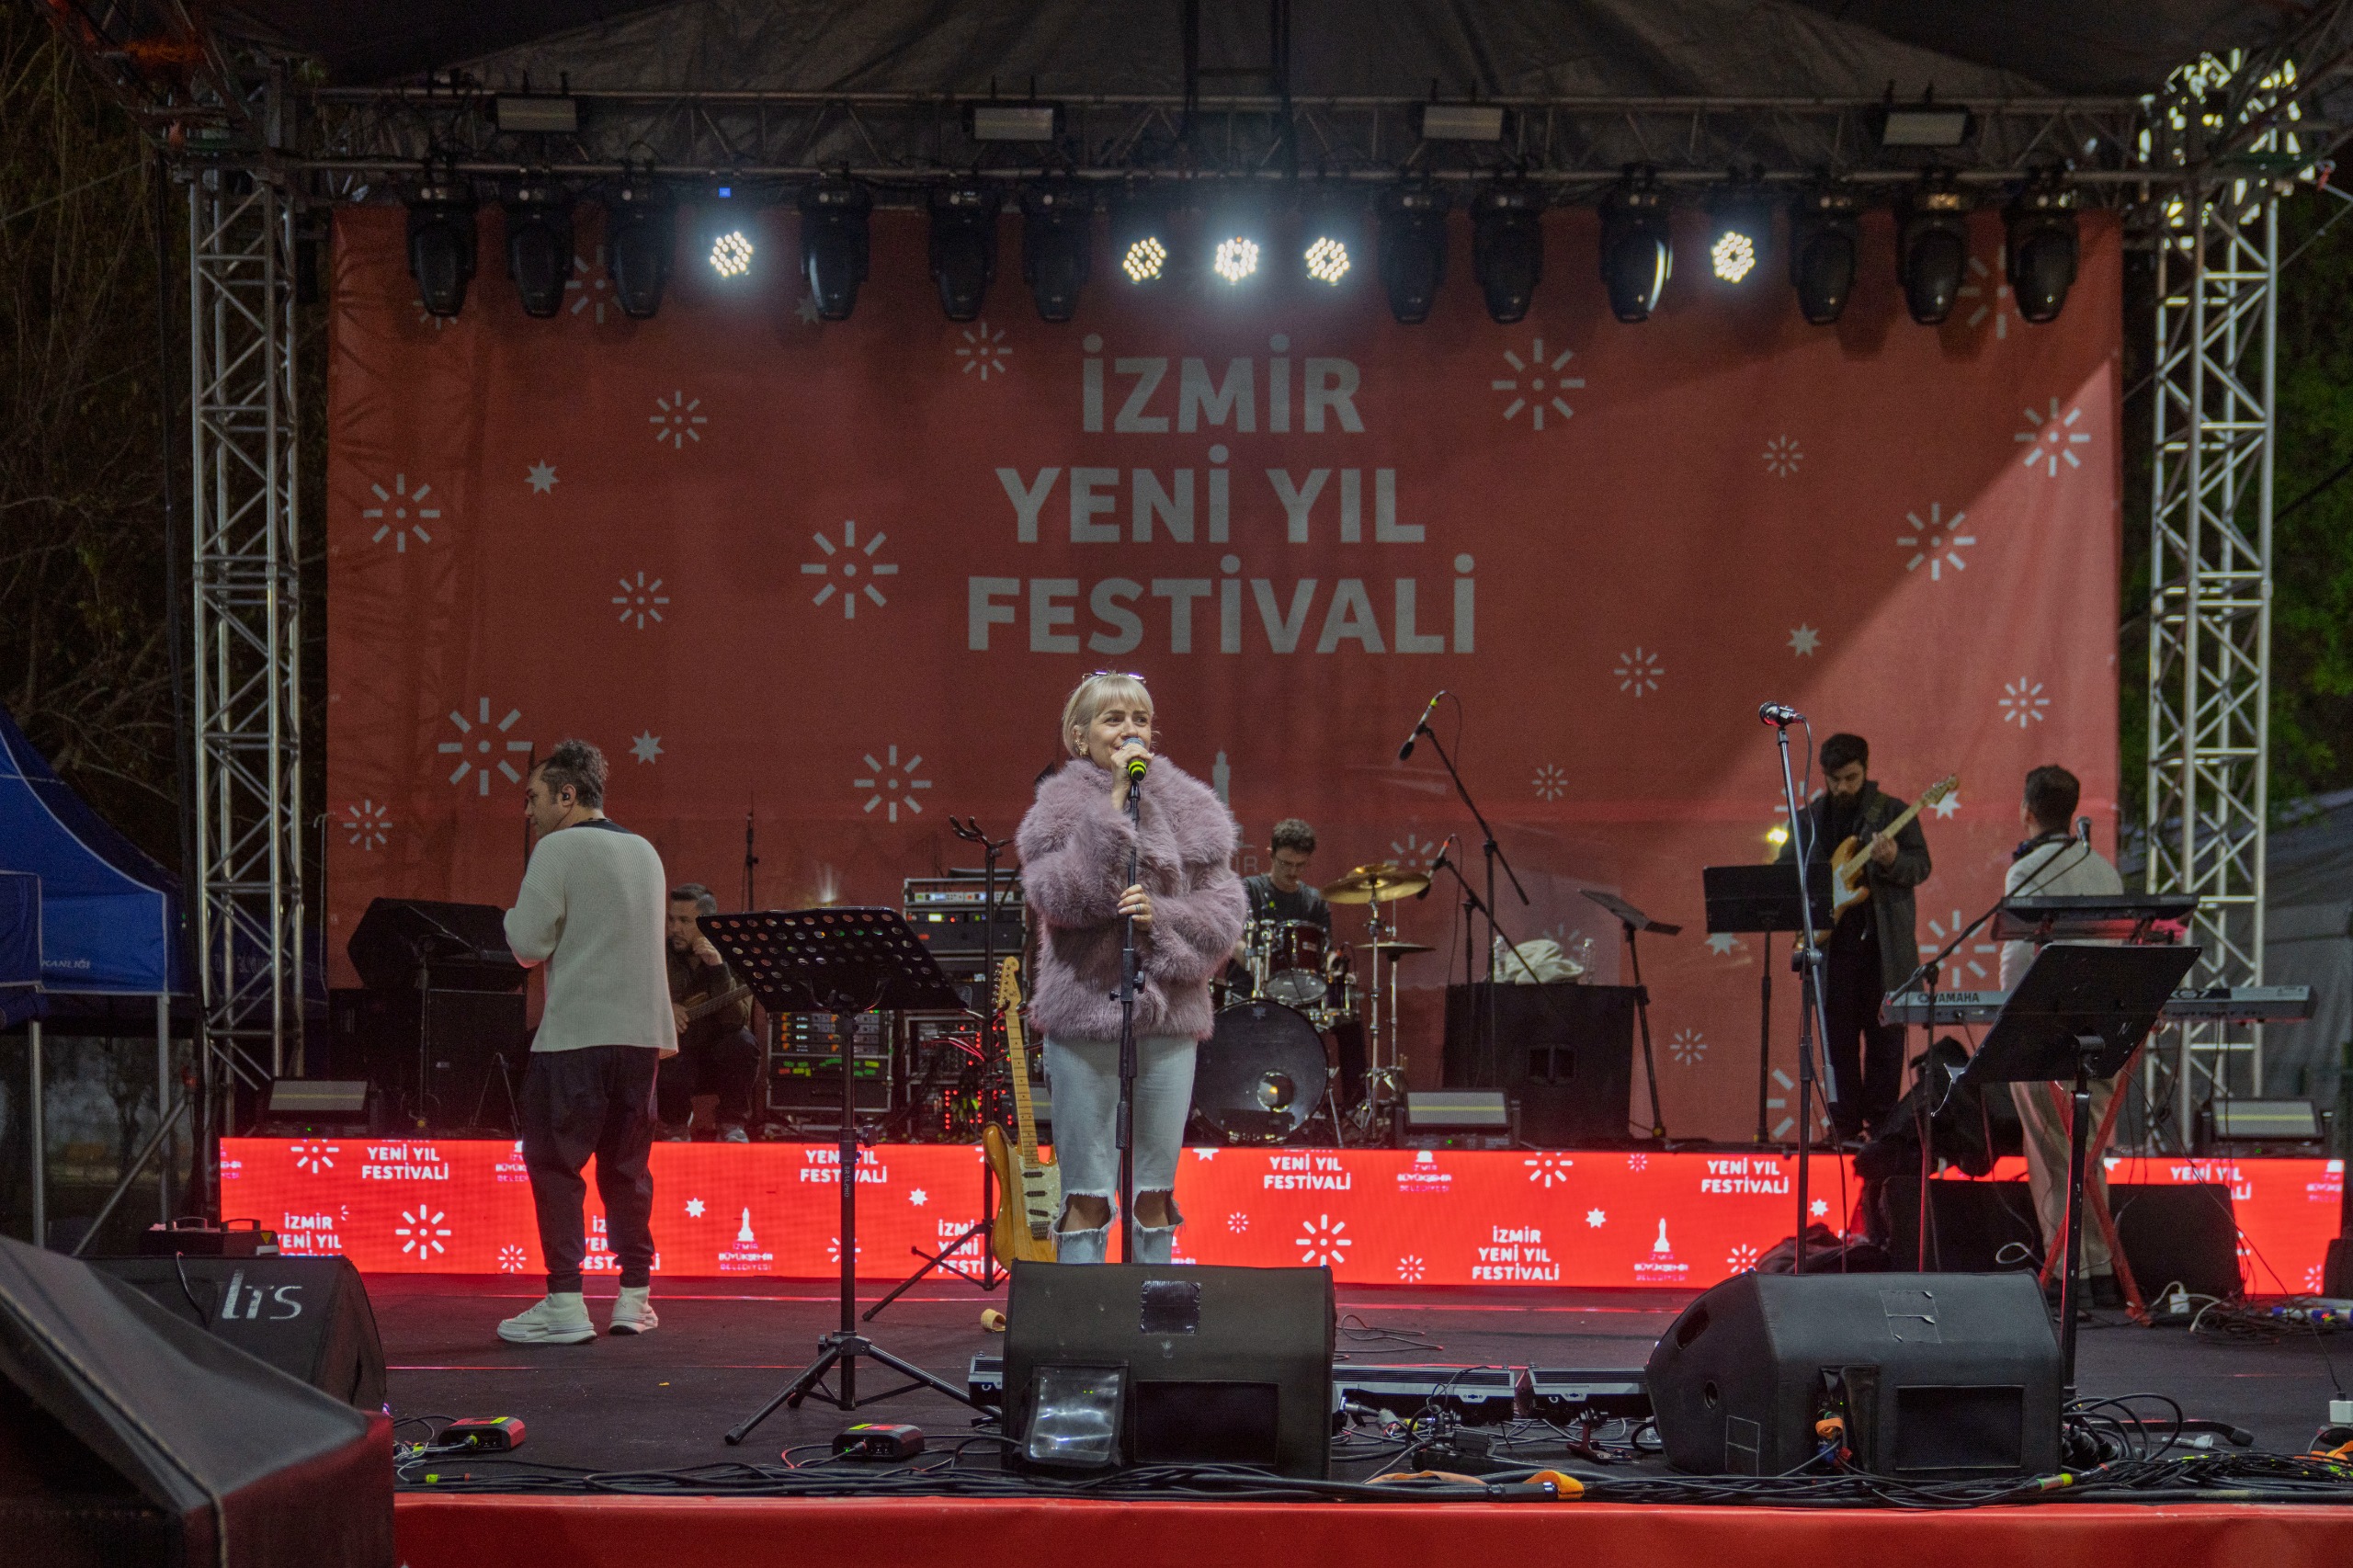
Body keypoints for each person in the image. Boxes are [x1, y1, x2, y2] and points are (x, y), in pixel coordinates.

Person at [1017, 671, 1246, 1264]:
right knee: (1086, 1193)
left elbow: (1225, 914)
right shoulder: (1057, 808)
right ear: (1079, 736)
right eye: (1113, 718)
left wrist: (1160, 918)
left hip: (1170, 1017)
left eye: (1140, 719)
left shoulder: (1194, 808)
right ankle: (1082, 1312)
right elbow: (1057, 898)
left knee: (1154, 1193)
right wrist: (1112, 808)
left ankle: (1150, 1311)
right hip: (1084, 1014)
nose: (1129, 730)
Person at [498, 739, 675, 1344]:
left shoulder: (557, 849)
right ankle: (634, 1299)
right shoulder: (645, 851)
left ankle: (566, 1304)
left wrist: (509, 916)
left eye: (534, 798)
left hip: (576, 1035)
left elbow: (527, 945)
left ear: (567, 796)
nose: (528, 811)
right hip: (641, 1039)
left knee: (555, 1165)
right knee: (627, 1169)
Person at [1998, 764, 2128, 1309]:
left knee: (2053, 1154)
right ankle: (2099, 1275)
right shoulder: (2103, 870)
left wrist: (2007, 1015)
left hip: (2044, 1025)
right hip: (2103, 1027)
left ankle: (2067, 1278)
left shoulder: (2027, 869)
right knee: (2087, 1154)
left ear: (2026, 811)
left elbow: (2017, 955)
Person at [1778, 732, 1930, 1142]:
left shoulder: (1893, 812)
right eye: (1834, 779)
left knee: (1886, 1045)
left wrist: (1893, 859)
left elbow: (1921, 866)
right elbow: (1783, 872)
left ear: (1865, 770)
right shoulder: (1808, 820)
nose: (1842, 787)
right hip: (1833, 954)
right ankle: (1842, 1129)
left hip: (1884, 953)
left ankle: (1882, 1131)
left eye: (1850, 778)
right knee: (1837, 1045)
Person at [1239, 818, 1370, 1108]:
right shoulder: (1248, 890)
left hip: (1302, 995)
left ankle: (1355, 1109)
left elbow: (1324, 952)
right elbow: (1230, 941)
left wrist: (1335, 967)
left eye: (1300, 866)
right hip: (1250, 990)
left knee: (1349, 1021)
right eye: (1285, 864)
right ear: (1270, 854)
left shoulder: (1314, 901)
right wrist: (1258, 965)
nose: (1292, 872)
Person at [658, 883, 761, 1142]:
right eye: (671, 919)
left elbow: (736, 1020)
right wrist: (664, 1009)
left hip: (719, 1055)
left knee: (744, 1043)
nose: (674, 928)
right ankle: (675, 1125)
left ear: (708, 924)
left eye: (684, 921)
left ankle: (731, 1125)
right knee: (665, 1049)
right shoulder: (658, 954)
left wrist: (718, 969)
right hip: (678, 1056)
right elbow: (637, 998)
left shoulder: (735, 955)